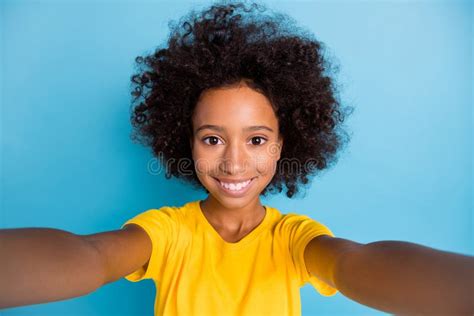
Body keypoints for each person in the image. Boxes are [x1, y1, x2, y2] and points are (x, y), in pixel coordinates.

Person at [0, 1, 473, 315]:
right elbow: (92, 256)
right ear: (185, 143)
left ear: (285, 144)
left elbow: (355, 263)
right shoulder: (168, 233)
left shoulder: (294, 239)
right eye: (212, 139)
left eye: (257, 139)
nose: (234, 163)